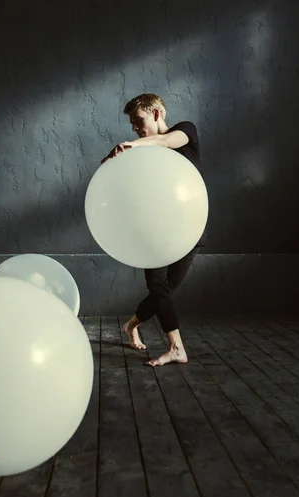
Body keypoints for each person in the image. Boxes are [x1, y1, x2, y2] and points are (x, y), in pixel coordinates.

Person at [101, 93, 206, 367]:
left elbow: (164, 141)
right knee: (159, 287)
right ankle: (176, 348)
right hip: (155, 230)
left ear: (157, 113)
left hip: (190, 228)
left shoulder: (185, 131)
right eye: (133, 125)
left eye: (139, 121)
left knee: (165, 290)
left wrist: (132, 145)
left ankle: (131, 325)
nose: (135, 128)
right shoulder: (141, 152)